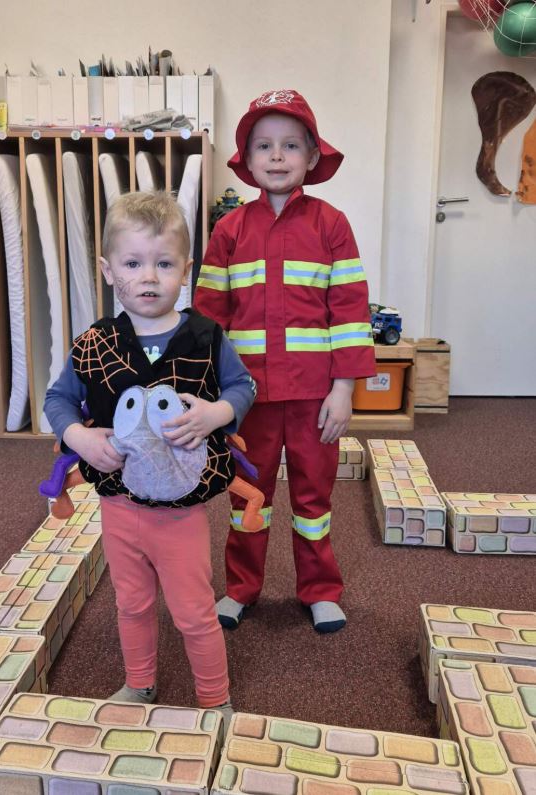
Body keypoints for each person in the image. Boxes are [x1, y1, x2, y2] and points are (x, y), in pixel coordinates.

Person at [44, 191, 256, 723]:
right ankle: (139, 685)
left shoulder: (207, 337)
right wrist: (79, 438)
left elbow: (242, 387)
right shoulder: (94, 342)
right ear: (107, 270)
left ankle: (215, 699)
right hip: (118, 507)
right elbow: (58, 400)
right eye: (133, 263)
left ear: (186, 270)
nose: (148, 277)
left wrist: (215, 414)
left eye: (164, 264)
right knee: (131, 604)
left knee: (193, 612)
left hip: (180, 513)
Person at [193, 89, 376, 634]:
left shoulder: (331, 225)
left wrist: (344, 389)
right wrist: (209, 392)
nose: (277, 156)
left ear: (312, 156)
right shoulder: (228, 230)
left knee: (313, 499)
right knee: (248, 495)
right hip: (246, 397)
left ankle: (320, 590)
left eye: (291, 145)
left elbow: (350, 311)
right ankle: (240, 589)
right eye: (264, 146)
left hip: (315, 396)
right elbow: (209, 317)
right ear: (246, 160)